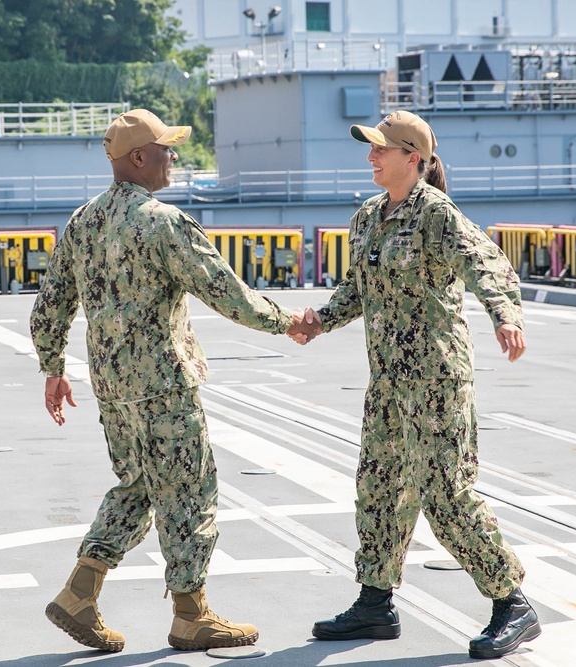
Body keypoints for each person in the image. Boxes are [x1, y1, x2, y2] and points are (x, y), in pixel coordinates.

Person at [30, 109, 312, 653]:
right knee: (190, 493)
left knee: (137, 486)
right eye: (165, 148)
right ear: (139, 158)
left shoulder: (83, 221)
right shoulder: (162, 222)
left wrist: (53, 369)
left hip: (113, 390)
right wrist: (288, 322)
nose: (173, 157)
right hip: (163, 385)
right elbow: (228, 294)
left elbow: (49, 307)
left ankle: (78, 595)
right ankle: (191, 615)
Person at [293, 110, 541, 660]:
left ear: (414, 159)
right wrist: (319, 322)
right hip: (387, 383)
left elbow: (488, 264)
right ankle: (375, 603)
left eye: (381, 149)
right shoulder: (368, 217)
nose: (370, 156)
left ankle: (511, 601)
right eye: (371, 147)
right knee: (379, 487)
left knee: (446, 494)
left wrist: (506, 315)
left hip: (436, 382)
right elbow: (355, 290)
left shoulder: (435, 214)